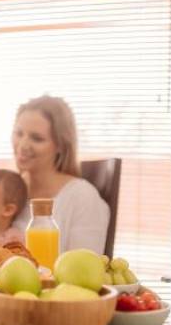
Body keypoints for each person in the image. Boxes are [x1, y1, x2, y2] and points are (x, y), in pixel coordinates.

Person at [10, 95, 109, 254]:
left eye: (37, 138)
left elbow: (83, 271)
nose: (23, 145)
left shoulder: (83, 197)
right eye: (19, 133)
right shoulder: (10, 191)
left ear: (61, 145)